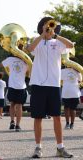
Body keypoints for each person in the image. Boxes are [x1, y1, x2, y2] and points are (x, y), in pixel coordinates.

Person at [25, 17, 74, 158]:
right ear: (41, 28)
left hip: (53, 84)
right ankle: (38, 148)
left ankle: (60, 148)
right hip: (38, 84)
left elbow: (70, 45)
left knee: (57, 116)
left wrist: (55, 35)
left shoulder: (57, 42)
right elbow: (30, 49)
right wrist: (42, 35)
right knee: (38, 117)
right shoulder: (37, 42)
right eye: (46, 26)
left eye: (50, 26)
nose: (48, 28)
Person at [1, 55, 30, 132]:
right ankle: (18, 125)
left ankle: (12, 121)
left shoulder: (10, 59)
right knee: (19, 105)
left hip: (12, 85)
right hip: (21, 86)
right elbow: (29, 72)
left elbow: (1, 64)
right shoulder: (26, 61)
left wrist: (9, 69)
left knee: (12, 104)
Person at [61, 64, 82, 129]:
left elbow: (59, 78)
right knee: (73, 109)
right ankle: (71, 124)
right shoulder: (77, 71)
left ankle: (68, 124)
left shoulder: (62, 71)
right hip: (74, 93)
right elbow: (80, 79)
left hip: (66, 92)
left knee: (67, 108)